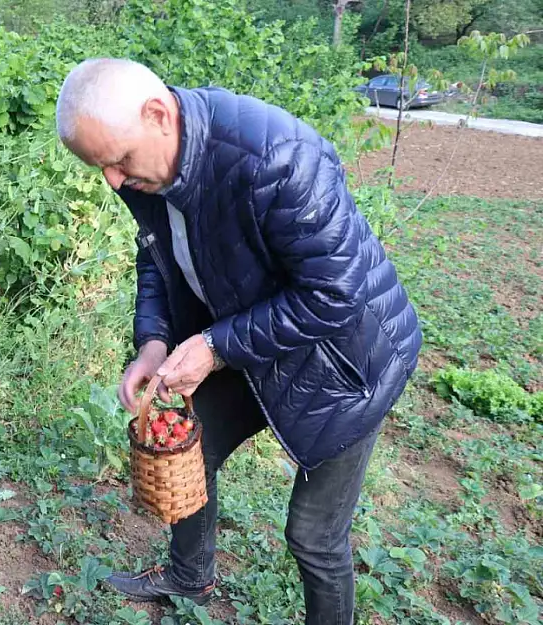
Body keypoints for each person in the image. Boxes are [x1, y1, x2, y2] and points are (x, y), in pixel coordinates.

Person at [54, 58, 422, 624]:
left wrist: (215, 347)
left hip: (349, 359)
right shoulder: (147, 168)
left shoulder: (277, 158)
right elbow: (157, 256)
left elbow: (336, 294)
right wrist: (153, 340)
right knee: (189, 450)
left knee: (314, 535)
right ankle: (188, 578)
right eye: (100, 167)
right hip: (251, 332)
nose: (113, 181)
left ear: (158, 115)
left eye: (119, 160)